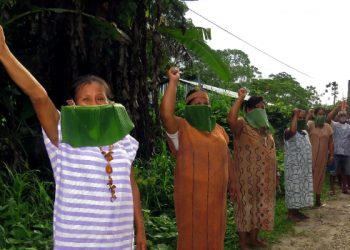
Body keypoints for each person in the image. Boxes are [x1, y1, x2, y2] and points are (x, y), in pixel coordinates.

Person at [0, 25, 147, 250]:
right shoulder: (63, 132)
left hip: (119, 241)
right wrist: (4, 53)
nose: (95, 104)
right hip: (75, 242)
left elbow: (131, 185)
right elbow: (38, 96)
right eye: (86, 99)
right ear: (73, 105)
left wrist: (140, 232)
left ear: (111, 104)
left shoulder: (123, 140)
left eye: (100, 98)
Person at [160, 67, 235, 250]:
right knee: (192, 237)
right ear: (188, 107)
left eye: (205, 102)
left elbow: (227, 157)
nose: (202, 105)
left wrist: (234, 183)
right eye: (196, 103)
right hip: (192, 200)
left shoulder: (219, 130)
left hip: (217, 198)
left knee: (216, 234)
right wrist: (173, 82)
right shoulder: (181, 127)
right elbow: (165, 114)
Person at [227, 88, 276, 250]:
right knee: (244, 208)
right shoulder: (242, 124)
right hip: (244, 178)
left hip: (263, 180)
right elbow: (231, 120)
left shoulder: (266, 130)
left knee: (258, 207)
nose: (262, 110)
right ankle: (243, 242)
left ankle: (254, 238)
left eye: (264, 108)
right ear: (249, 110)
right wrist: (240, 98)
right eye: (258, 107)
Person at [284, 109, 313, 221]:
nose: (301, 120)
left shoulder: (304, 132)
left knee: (301, 189)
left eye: (302, 118)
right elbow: (293, 130)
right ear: (293, 119)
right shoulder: (288, 131)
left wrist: (307, 116)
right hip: (294, 168)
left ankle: (297, 212)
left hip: (304, 168)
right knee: (293, 189)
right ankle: (291, 214)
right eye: (298, 118)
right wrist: (296, 114)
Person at [307, 107, 333, 207]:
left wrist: (331, 155)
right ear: (315, 115)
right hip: (310, 155)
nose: (321, 116)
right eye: (319, 114)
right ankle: (308, 200)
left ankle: (318, 199)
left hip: (323, 156)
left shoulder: (328, 127)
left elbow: (331, 142)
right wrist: (309, 115)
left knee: (320, 176)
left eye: (323, 114)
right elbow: (301, 131)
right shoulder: (310, 124)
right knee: (309, 176)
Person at [327, 104, 350, 194]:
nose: (342, 117)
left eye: (344, 115)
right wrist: (336, 109)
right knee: (333, 171)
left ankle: (345, 188)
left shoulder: (349, 127)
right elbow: (328, 119)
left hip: (347, 153)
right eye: (341, 115)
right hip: (335, 151)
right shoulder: (335, 125)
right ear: (338, 116)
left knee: (346, 172)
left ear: (347, 117)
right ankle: (332, 189)